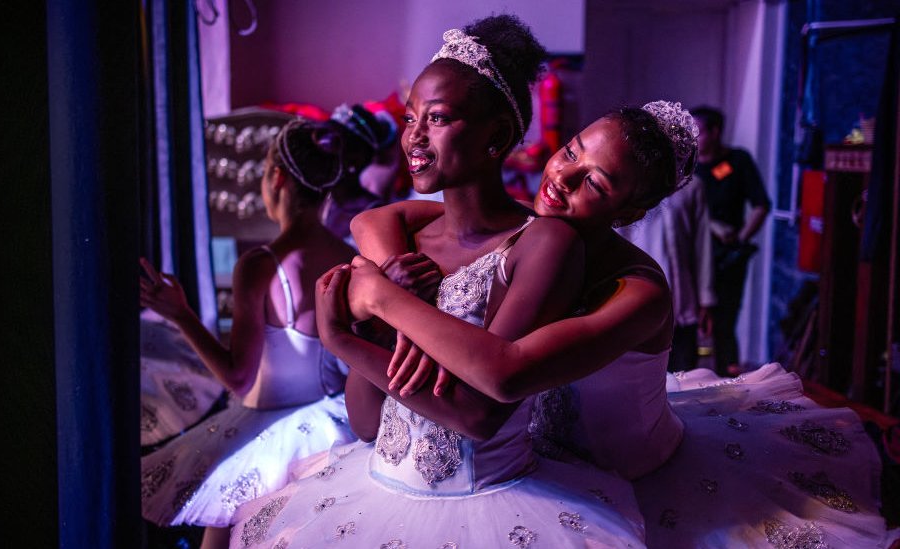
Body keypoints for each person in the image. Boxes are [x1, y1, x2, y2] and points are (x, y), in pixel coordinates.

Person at [343, 102, 891, 546]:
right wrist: (393, 283)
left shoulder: (638, 292)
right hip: (537, 467)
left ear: (627, 213)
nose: (562, 178)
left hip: (633, 475)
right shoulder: (530, 230)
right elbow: (373, 219)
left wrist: (383, 305)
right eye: (568, 153)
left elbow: (507, 373)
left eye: (595, 184)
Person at [225, 15, 650, 548]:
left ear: (496, 135)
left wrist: (346, 334)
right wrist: (371, 331)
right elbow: (366, 424)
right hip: (378, 494)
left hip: (491, 505)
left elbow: (478, 414)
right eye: (410, 118)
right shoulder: (408, 246)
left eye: (439, 118)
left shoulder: (542, 244)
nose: (414, 137)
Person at [137, 120, 358, 543]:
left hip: (267, 434)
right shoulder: (353, 259)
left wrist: (182, 314)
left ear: (276, 177)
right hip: (333, 429)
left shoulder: (260, 265)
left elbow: (238, 376)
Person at [691, 106, 771, 376]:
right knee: (692, 322)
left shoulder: (737, 161)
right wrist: (711, 227)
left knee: (725, 322)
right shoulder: (687, 167)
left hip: (728, 258)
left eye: (698, 132)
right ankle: (690, 378)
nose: (693, 138)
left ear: (715, 132)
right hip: (695, 257)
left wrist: (740, 239)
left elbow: (761, 205)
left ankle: (728, 379)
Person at [616, 171, 716, 372]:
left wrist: (706, 299)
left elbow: (702, 245)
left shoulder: (693, 187)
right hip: (639, 307)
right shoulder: (629, 182)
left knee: (686, 377)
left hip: (683, 305)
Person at [319, 103, 399, 247]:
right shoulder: (324, 199)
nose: (321, 152)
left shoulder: (372, 212)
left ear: (356, 159)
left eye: (332, 144)